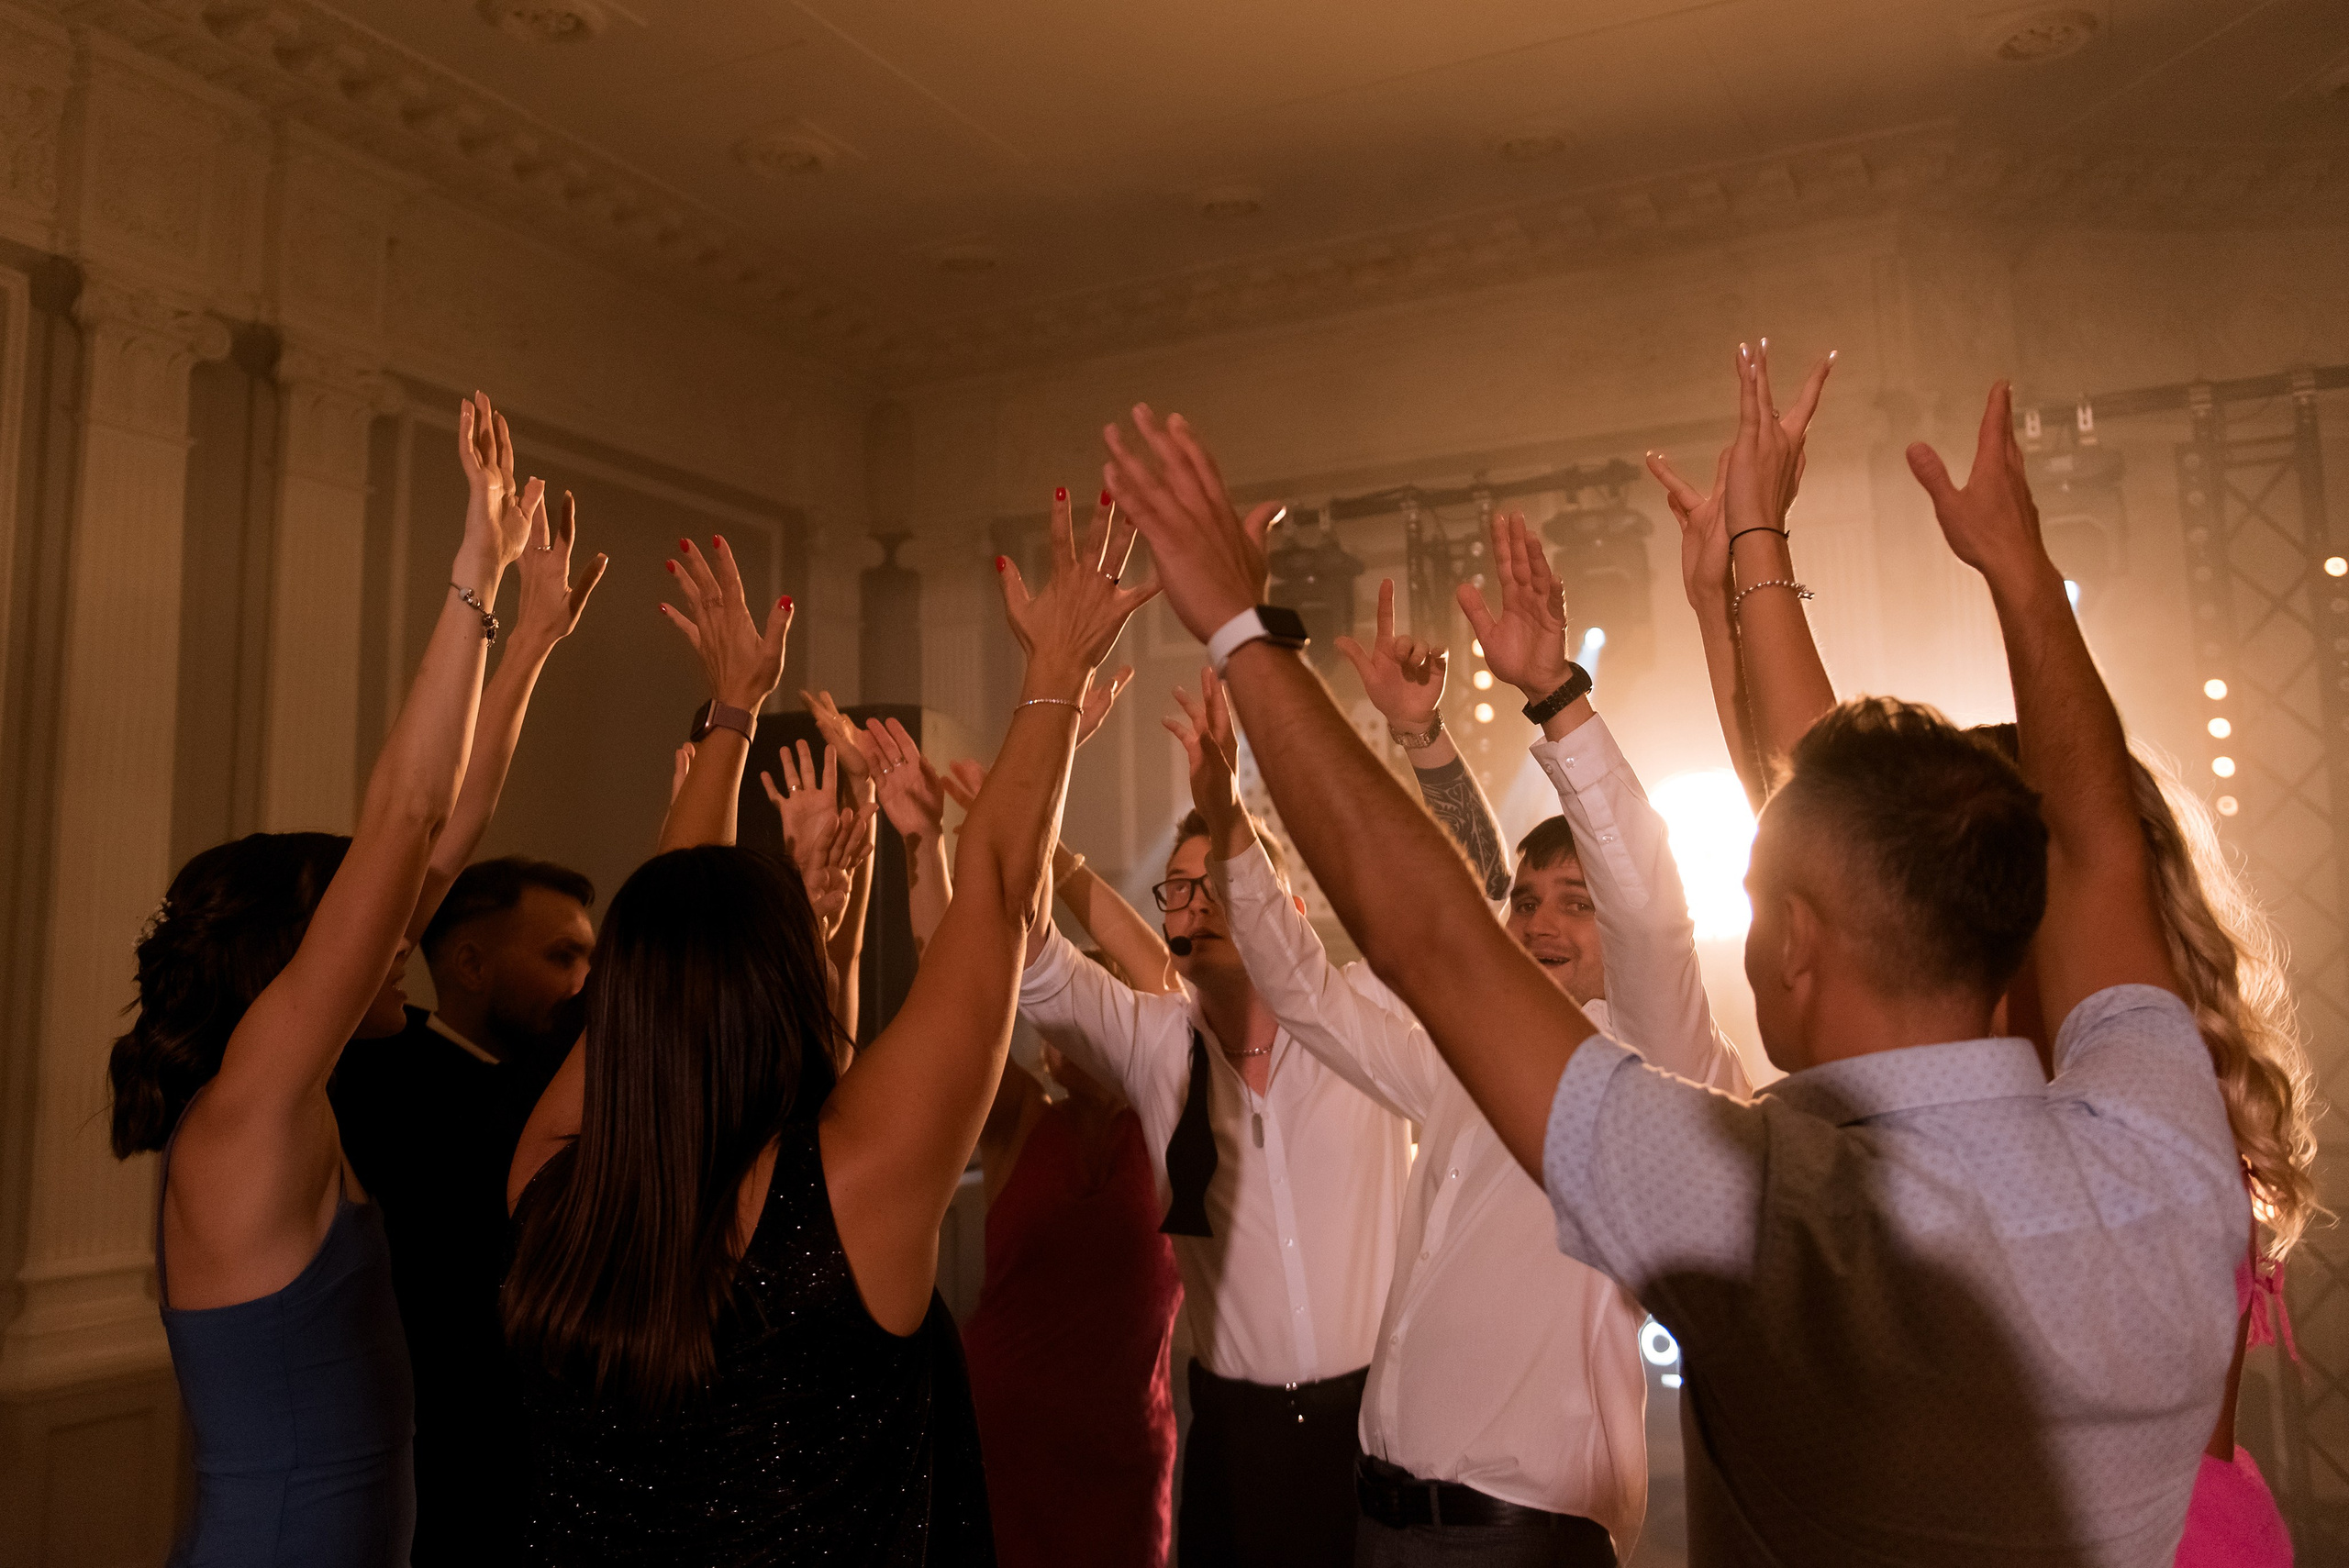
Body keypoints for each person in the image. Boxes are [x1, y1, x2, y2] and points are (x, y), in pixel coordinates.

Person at [1102, 366, 2247, 1563]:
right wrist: (2016, 581)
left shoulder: (1763, 1213)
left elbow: (1432, 934)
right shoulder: (2166, 1154)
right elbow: (2102, 851)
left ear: (1793, 941)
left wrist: (1243, 633)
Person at [1653, 348, 2327, 1566]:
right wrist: (1733, 588)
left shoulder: (2114, 1093)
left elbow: (1835, 839)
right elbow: (1819, 836)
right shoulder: (2088, 1067)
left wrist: (1762, 551)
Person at [502, 491, 1158, 1564]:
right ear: (784, 988)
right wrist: (1054, 672)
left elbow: (659, 942)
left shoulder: (543, 1183)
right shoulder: (845, 1193)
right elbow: (991, 895)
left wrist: (728, 715)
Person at [1186, 516, 1748, 1565]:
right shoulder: (1463, 1063)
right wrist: (1226, 821)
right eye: (1529, 898)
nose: (1537, 920)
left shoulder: (1650, 1065)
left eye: (1571, 903)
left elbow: (1650, 915)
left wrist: (1559, 698)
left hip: (1517, 1539)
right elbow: (1307, 994)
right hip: (1379, 1519)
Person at [108, 391, 540, 1566]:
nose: (400, 935)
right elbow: (406, 816)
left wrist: (534, 638)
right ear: (292, 955)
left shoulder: (272, 1099)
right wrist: (475, 572)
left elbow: (443, 834)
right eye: (364, 925)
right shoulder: (241, 1117)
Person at [1016, 524, 1413, 1566]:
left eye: (1217, 880)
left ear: (1278, 898)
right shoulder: (1155, 1041)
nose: (1190, 908)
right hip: (1230, 1431)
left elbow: (1433, 898)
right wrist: (1044, 720)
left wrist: (1227, 806)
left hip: (1382, 1422)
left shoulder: (1366, 1016)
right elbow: (1030, 958)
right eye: (1177, 888)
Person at [863, 715, 1187, 1568]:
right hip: (1000, 1436)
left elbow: (1165, 984)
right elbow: (952, 983)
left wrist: (1062, 856)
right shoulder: (1019, 1120)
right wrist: (923, 843)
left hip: (1122, 1450)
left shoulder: (1174, 1112)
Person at [330, 857, 596, 1568]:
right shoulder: (386, 1081)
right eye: (562, 956)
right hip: (448, 1479)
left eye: (591, 959)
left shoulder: (553, 1088)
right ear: (472, 965)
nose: (581, 985)